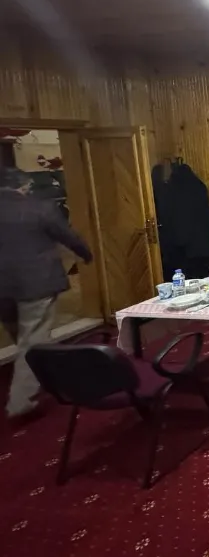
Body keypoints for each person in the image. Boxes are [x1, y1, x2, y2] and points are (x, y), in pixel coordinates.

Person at [0, 168, 93, 419]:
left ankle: (50, 375)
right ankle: (20, 402)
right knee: (32, 341)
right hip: (36, 283)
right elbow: (67, 235)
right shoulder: (39, 207)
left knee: (23, 336)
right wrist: (85, 253)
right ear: (25, 187)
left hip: (2, 289)